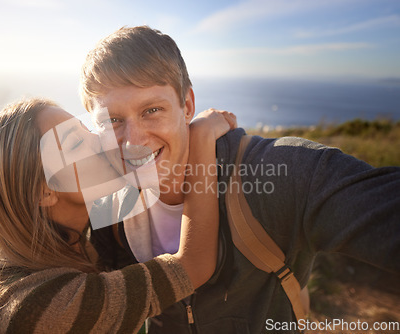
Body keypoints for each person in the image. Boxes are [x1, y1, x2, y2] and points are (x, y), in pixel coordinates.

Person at [81, 26, 400, 333]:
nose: (133, 140)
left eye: (152, 110)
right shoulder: (105, 210)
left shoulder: (279, 172)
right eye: (112, 121)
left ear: (187, 105)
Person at [0, 97, 237, 333]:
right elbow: (193, 265)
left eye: (87, 129)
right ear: (43, 192)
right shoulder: (45, 308)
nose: (102, 138)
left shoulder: (42, 250)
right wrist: (201, 136)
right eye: (75, 143)